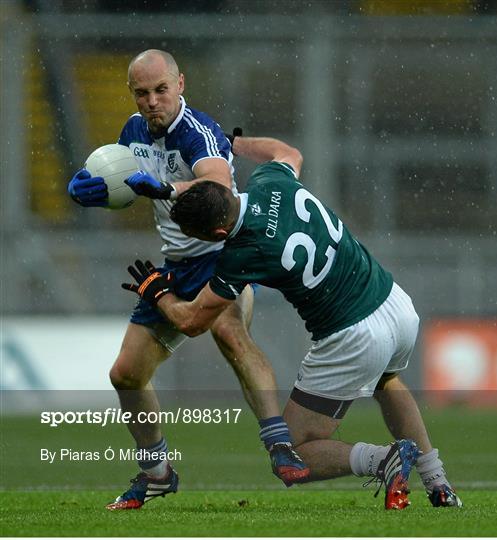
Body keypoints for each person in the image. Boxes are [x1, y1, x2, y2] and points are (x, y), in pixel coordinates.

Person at [122, 134, 463, 510]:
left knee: (291, 453)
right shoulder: (271, 181)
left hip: (354, 333)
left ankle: (384, 459)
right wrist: (235, 143)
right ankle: (439, 483)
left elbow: (191, 322)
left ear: (217, 235)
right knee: (387, 381)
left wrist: (158, 293)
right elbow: (288, 152)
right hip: (394, 304)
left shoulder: (242, 253)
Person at [67, 50, 308, 511]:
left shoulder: (198, 132)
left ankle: (280, 445)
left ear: (181, 84)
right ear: (133, 94)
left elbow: (216, 186)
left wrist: (163, 189)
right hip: (177, 263)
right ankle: (157, 472)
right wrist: (93, 192)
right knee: (125, 374)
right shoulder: (132, 132)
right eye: (142, 93)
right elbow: (125, 184)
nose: (153, 101)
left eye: (161, 89)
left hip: (221, 251)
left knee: (229, 332)